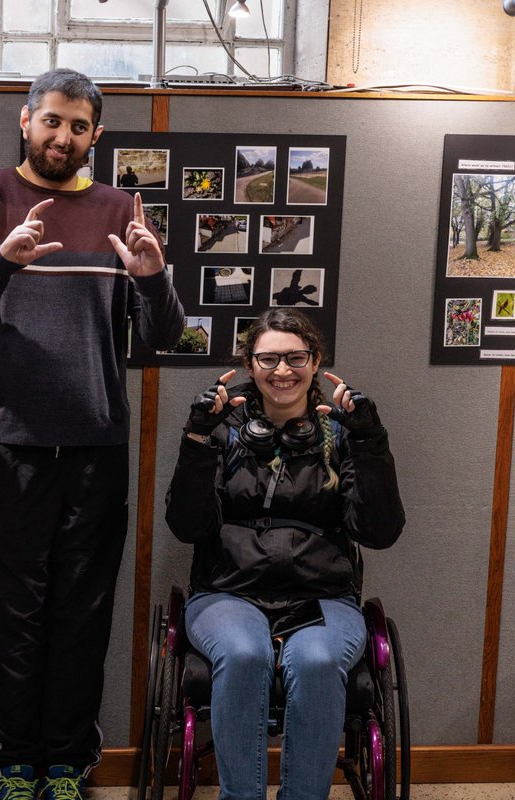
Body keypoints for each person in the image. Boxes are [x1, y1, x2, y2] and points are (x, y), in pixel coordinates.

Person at [0, 67, 184, 799]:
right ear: (25, 121)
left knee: (83, 614)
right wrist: (3, 263)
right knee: (12, 613)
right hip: (11, 443)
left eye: (78, 126)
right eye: (51, 121)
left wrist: (151, 277)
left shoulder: (120, 207)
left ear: (96, 135)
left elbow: (161, 338)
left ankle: (68, 765)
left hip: (98, 446)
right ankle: (15, 764)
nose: (63, 136)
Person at [165, 307, 404, 800]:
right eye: (268, 358)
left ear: (315, 362)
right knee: (243, 651)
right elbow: (188, 527)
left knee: (317, 662)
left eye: (295, 357)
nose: (282, 370)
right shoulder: (222, 431)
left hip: (322, 597)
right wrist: (195, 440)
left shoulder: (340, 436)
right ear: (250, 365)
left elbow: (379, 532)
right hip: (227, 592)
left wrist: (370, 442)